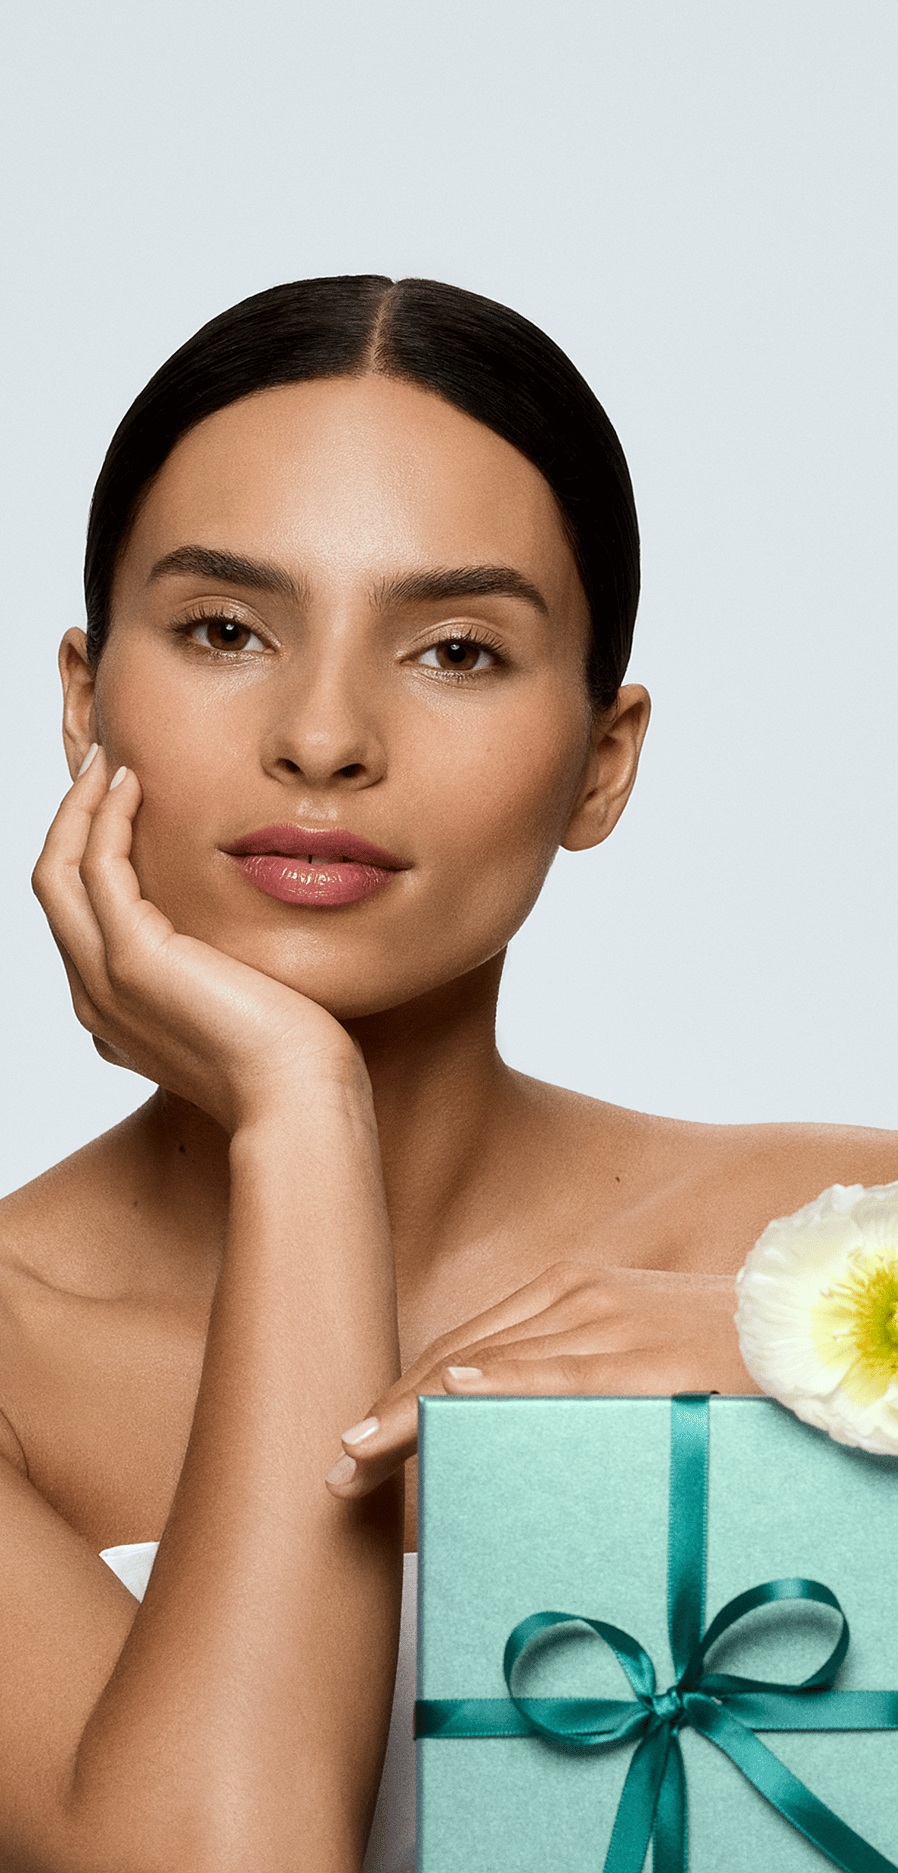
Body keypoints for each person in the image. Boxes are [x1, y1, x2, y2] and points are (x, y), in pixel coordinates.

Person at [0, 275, 893, 1873]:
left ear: (598, 763)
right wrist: (298, 1116)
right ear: (84, 706)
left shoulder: (845, 1244)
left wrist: (815, 1363)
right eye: (223, 629)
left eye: (457, 651)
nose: (325, 735)